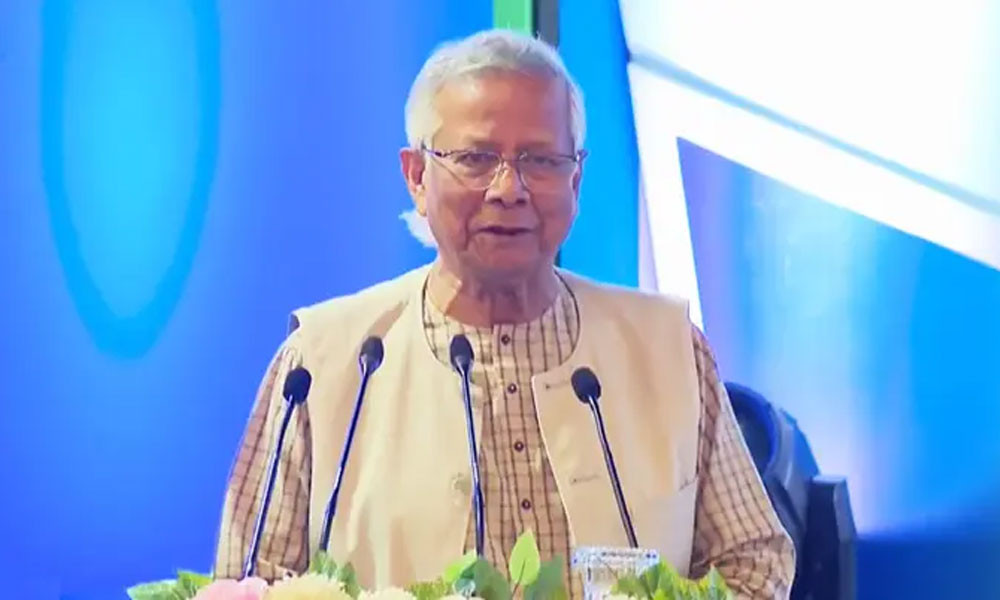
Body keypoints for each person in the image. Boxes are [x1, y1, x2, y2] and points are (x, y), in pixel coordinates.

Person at [213, 29, 794, 599]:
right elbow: (247, 581)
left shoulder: (667, 351)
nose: (508, 188)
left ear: (576, 178)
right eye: (476, 158)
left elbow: (754, 562)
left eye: (540, 160)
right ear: (416, 176)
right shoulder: (322, 365)